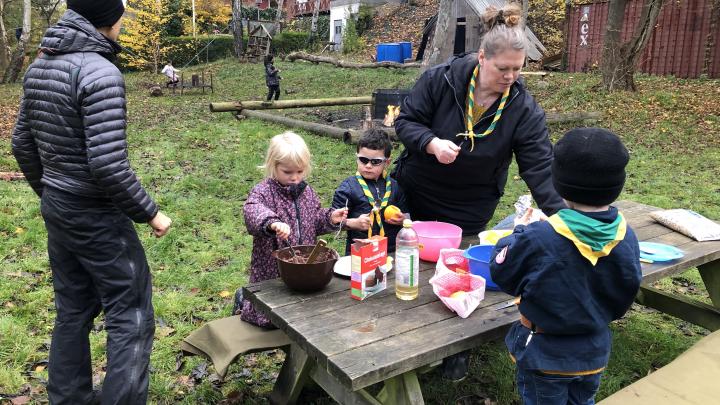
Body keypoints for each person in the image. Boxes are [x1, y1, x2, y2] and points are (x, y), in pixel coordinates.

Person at [11, 1, 173, 404]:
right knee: (131, 311)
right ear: (109, 19)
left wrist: (49, 193)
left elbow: (21, 144)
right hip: (94, 212)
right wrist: (150, 212)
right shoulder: (101, 72)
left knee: (73, 308)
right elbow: (108, 165)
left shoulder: (40, 66)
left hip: (58, 206)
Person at [393, 4, 565, 381]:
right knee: (407, 271)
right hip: (416, 193)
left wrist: (564, 218)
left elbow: (538, 166)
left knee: (457, 276)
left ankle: (454, 350)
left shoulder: (522, 107)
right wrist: (431, 143)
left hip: (469, 205)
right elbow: (405, 122)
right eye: (503, 68)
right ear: (482, 57)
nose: (511, 77)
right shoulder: (442, 80)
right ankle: (395, 344)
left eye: (518, 69)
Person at [489, 128, 642, 405]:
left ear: (558, 181)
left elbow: (503, 273)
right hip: (593, 352)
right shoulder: (626, 235)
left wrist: (519, 233)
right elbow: (628, 288)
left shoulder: (540, 237)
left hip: (546, 356)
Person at [236, 132, 348, 326]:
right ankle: (243, 301)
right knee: (271, 312)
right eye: (288, 172)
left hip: (303, 265)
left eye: (300, 171)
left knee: (302, 309)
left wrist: (330, 217)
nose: (295, 178)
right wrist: (272, 222)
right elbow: (252, 210)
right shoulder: (263, 191)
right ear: (273, 166)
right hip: (271, 268)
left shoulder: (307, 192)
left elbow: (314, 219)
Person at [332, 129, 408, 255]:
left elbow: (407, 214)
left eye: (375, 161)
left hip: (390, 252)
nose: (368, 165)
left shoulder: (395, 187)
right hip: (360, 253)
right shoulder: (347, 188)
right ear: (357, 157)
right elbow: (333, 222)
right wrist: (354, 223)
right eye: (363, 160)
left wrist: (402, 219)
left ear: (387, 162)